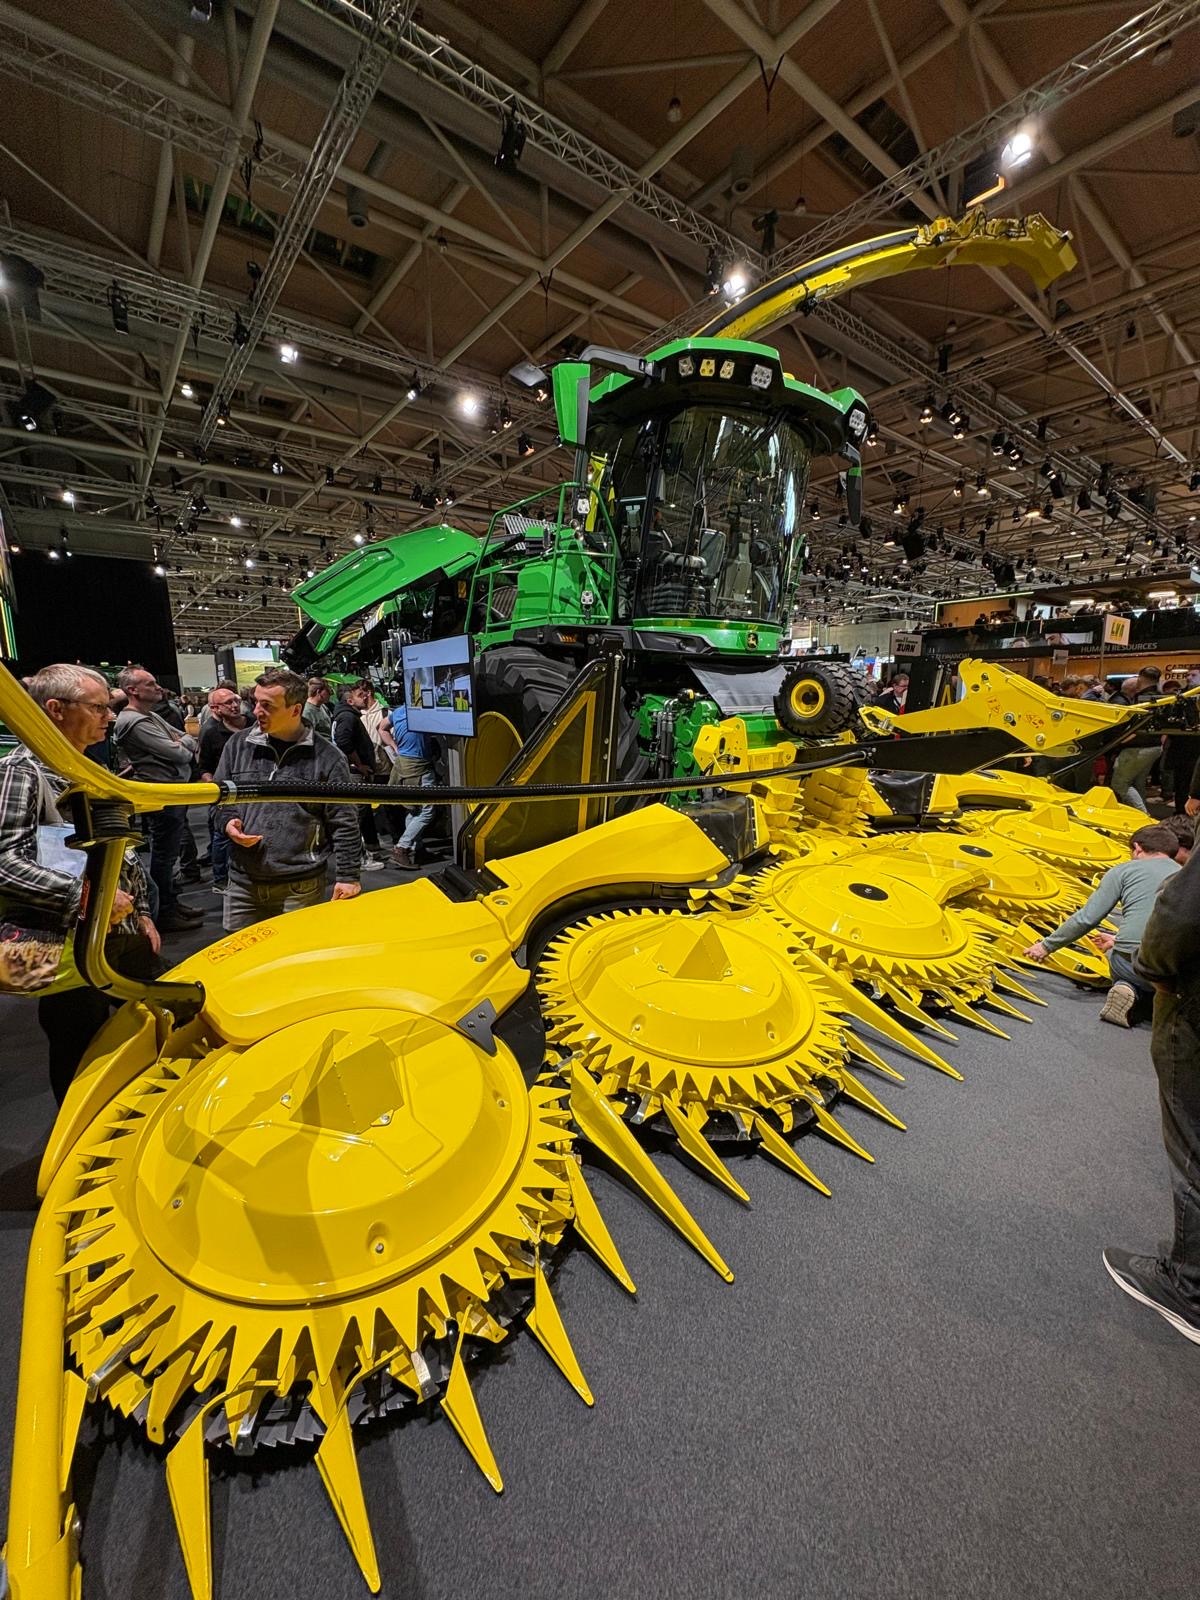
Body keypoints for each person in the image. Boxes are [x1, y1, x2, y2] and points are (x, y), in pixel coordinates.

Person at [0, 664, 162, 1102]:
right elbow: (4, 862)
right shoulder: (20, 771)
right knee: (81, 1057)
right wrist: (91, 897)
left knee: (155, 1026)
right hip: (65, 946)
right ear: (56, 709)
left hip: (114, 932)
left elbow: (119, 849)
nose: (110, 716)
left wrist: (141, 912)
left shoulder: (83, 764)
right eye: (98, 708)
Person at [1103, 839, 1200, 1345]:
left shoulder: (1127, 871)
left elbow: (1179, 911)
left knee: (1192, 1145)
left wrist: (1152, 973)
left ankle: (1188, 1286)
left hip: (1191, 1000)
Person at [212, 666, 362, 931]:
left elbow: (344, 820)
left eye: (267, 705)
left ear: (295, 710)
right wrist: (228, 822)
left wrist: (348, 876)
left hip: (300, 886)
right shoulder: (237, 745)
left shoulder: (328, 757)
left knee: (299, 954)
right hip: (242, 882)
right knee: (240, 954)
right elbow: (219, 799)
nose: (256, 711)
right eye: (256, 702)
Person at [1023, 823, 1181, 1028]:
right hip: (1179, 969)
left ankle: (1129, 989)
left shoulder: (1124, 871)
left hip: (1135, 964)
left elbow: (1087, 918)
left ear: (1137, 848)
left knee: (1114, 955)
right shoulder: (1186, 875)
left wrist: (1045, 946)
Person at [114, 666, 203, 931]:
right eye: (150, 684)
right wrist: (182, 743)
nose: (158, 687)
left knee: (168, 853)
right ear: (132, 690)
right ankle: (164, 911)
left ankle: (170, 903)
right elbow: (182, 752)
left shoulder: (148, 715)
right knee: (164, 855)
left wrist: (182, 741)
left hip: (171, 790)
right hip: (162, 793)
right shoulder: (135, 722)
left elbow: (186, 738)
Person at [331, 681, 388, 870]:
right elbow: (343, 742)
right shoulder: (348, 717)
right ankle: (357, 858)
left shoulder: (346, 715)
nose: (364, 697)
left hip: (355, 771)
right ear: (350, 700)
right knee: (357, 815)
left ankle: (368, 850)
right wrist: (359, 764)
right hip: (355, 773)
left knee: (362, 814)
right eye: (359, 695)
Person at [197, 683, 248, 895]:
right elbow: (203, 766)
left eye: (236, 700)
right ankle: (220, 880)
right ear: (215, 708)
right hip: (226, 792)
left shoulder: (254, 723)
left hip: (253, 791)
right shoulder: (210, 732)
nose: (234, 705)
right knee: (222, 836)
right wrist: (216, 790)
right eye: (228, 703)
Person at [387, 687, 436, 868]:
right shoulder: (421, 713)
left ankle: (417, 849)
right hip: (418, 766)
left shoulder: (398, 712)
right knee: (428, 810)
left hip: (403, 764)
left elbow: (382, 728)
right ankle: (402, 847)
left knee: (413, 810)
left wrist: (395, 746)